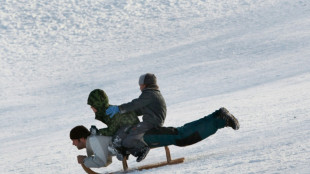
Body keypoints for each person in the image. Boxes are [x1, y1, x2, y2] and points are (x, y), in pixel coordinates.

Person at [70, 107, 240, 169]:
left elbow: (101, 161)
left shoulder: (94, 140)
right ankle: (218, 118)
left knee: (180, 136)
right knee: (179, 135)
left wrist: (85, 161)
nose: (73, 144)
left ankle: (219, 119)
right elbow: (106, 157)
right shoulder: (96, 139)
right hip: (142, 137)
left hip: (144, 138)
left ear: (81, 138)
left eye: (74, 140)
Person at [105, 73, 167, 162]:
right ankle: (121, 149)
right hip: (152, 121)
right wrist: (127, 114)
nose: (140, 88)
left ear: (146, 84)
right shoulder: (152, 94)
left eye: (141, 85)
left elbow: (135, 104)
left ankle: (142, 149)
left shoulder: (150, 94)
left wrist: (120, 108)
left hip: (153, 122)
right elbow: (141, 109)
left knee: (133, 132)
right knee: (129, 130)